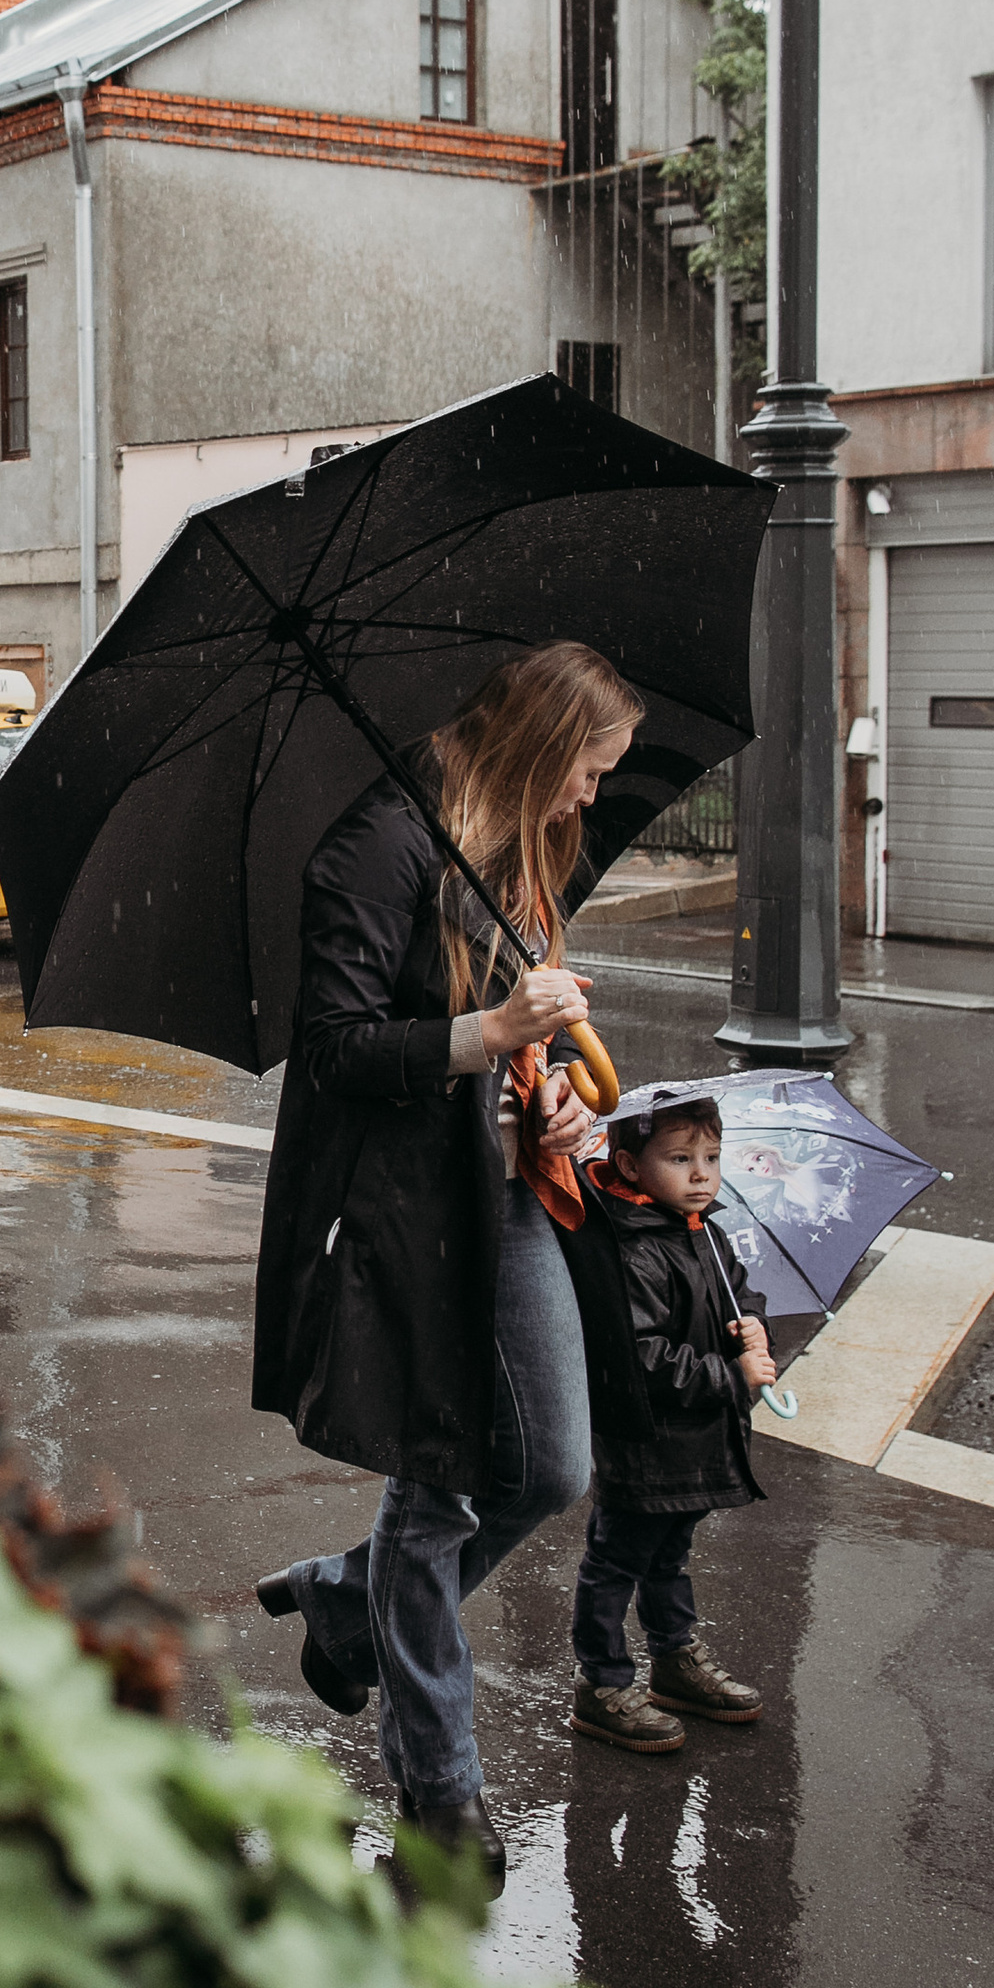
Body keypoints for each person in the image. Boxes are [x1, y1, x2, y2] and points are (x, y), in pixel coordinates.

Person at [251, 642, 643, 1888]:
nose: (593, 796)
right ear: (539, 745)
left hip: (507, 1191)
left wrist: (556, 1106)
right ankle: (442, 1798)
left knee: (553, 1463)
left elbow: (520, 1058)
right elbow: (332, 1051)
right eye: (589, 768)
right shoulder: (379, 846)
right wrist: (489, 1033)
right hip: (410, 1214)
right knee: (443, 1485)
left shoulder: (523, 851)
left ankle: (341, 1601)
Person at [559, 1092, 772, 1751]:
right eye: (680, 1158)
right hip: (647, 1444)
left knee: (670, 1555)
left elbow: (737, 1290)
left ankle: (674, 1660)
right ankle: (601, 1681)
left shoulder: (704, 1229)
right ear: (628, 1164)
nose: (702, 1174)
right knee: (616, 1560)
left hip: (698, 1443)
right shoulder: (630, 1248)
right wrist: (729, 1378)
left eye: (710, 1156)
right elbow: (644, 1358)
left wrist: (753, 1326)